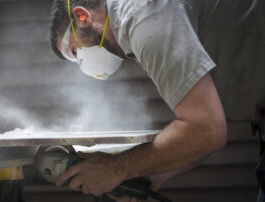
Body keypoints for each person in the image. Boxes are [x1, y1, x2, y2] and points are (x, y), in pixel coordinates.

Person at [49, 0, 265, 201]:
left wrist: (115, 168)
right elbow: (200, 136)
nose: (81, 64)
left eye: (75, 52)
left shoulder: (144, 17)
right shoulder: (140, 24)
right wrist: (151, 176)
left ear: (82, 16)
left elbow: (206, 129)